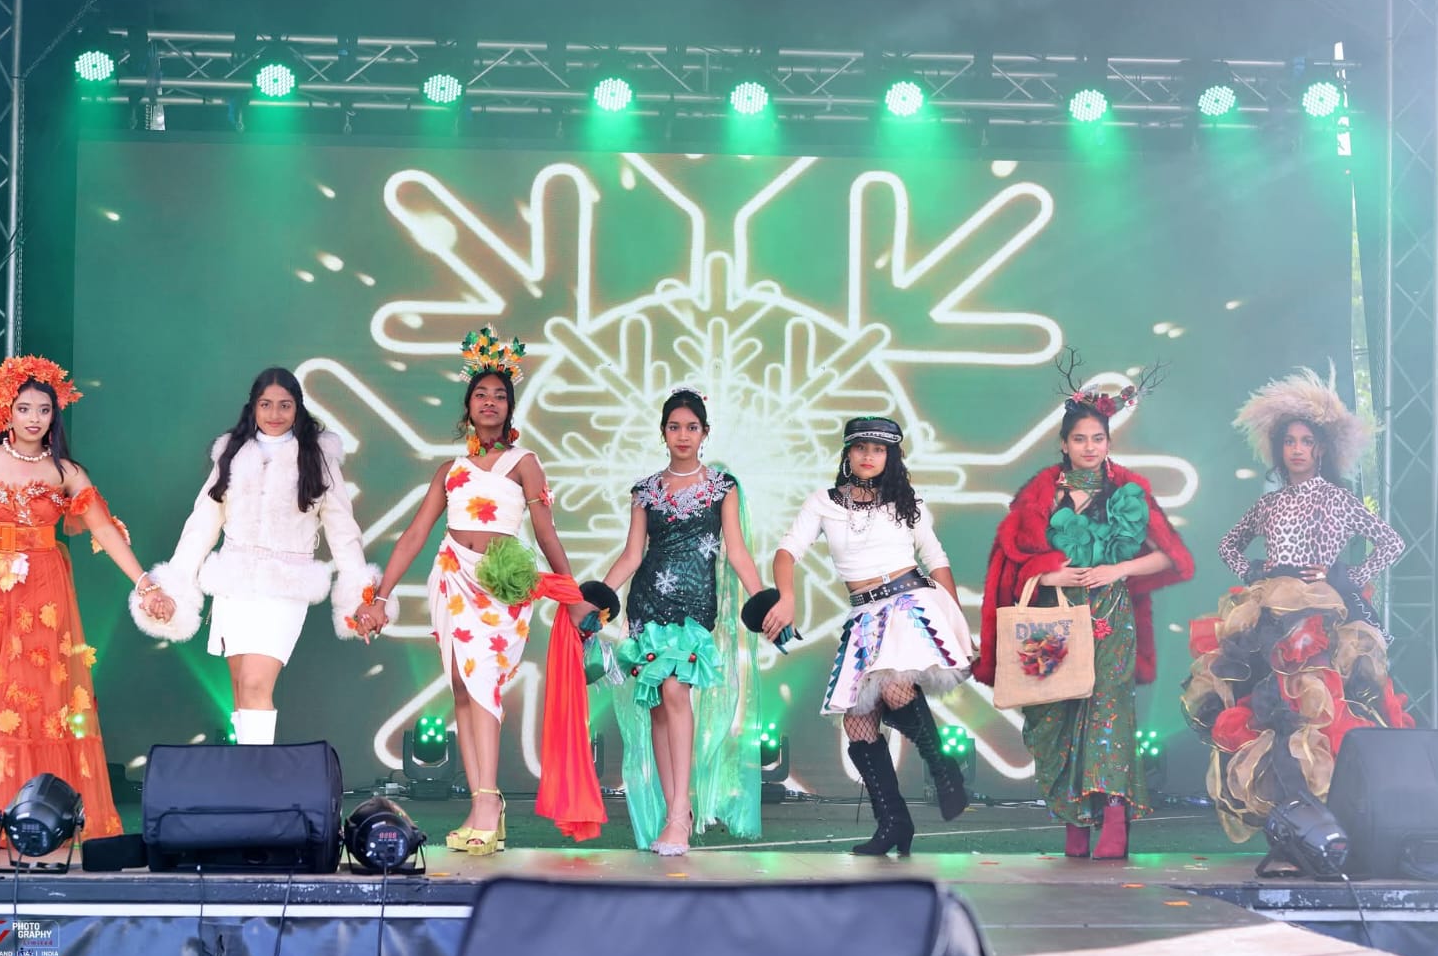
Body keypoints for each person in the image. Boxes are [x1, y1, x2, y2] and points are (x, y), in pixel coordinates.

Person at [0, 355, 173, 846]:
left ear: (55, 415)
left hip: (42, 594)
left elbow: (104, 531)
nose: (34, 418)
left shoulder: (65, 472)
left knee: (34, 697)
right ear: (5, 411)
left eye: (44, 410)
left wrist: (146, 584)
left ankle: (38, 813)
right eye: (25, 408)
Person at [351, 327, 596, 856]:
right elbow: (415, 534)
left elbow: (546, 533)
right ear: (468, 406)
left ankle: (487, 802)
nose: (490, 402)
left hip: (499, 585)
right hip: (452, 580)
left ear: (509, 408)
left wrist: (571, 595)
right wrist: (379, 597)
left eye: (499, 395)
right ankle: (485, 804)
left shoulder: (524, 463)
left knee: (484, 685)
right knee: (463, 689)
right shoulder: (451, 471)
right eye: (481, 394)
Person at [1183, 366, 1411, 845]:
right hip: (1269, 618)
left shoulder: (1337, 499)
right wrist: (1254, 572)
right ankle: (1287, 827)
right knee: (1271, 715)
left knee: (1321, 713)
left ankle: (1326, 825)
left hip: (1322, 619)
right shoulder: (1269, 505)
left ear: (1321, 449)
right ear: (1278, 449)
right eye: (1289, 441)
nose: (1298, 449)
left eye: (1307, 441)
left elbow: (1391, 543)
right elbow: (1228, 545)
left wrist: (1345, 577)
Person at [977, 358, 1194, 859]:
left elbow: (1170, 556)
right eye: (1080, 439)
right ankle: (1074, 819)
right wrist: (1047, 574)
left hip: (1109, 617)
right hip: (1052, 617)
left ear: (1109, 442)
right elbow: (1010, 560)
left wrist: (1117, 570)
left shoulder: (1127, 490)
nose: (1089, 447)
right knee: (1055, 714)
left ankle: (1114, 817)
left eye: (1098, 439)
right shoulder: (1039, 493)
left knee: (1107, 714)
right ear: (1063, 443)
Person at [763, 417, 978, 857]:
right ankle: (894, 823)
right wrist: (786, 597)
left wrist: (955, 620)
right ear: (847, 452)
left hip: (909, 602)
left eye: (878, 450)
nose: (868, 456)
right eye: (860, 447)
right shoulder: (824, 502)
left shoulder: (908, 502)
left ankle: (943, 769)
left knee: (896, 687)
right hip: (864, 616)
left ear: (890, 456)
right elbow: (787, 552)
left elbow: (935, 558)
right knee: (858, 726)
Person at [131, 367, 379, 746]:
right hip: (235, 584)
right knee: (240, 689)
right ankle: (246, 774)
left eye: (285, 405)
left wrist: (359, 593)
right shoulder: (232, 453)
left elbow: (343, 532)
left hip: (286, 585)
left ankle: (258, 776)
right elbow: (202, 525)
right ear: (253, 407)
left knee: (255, 683)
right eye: (266, 404)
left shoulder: (318, 457)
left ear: (298, 408)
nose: (275, 413)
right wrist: (176, 582)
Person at [599, 388, 765, 855]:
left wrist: (763, 600)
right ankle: (677, 811)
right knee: (657, 702)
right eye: (675, 427)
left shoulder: (722, 487)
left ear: (705, 433)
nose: (683, 435)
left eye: (692, 427)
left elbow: (736, 552)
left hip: (695, 608)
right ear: (663, 432)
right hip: (647, 604)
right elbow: (633, 555)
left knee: (674, 691)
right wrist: (598, 597)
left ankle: (677, 813)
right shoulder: (645, 491)